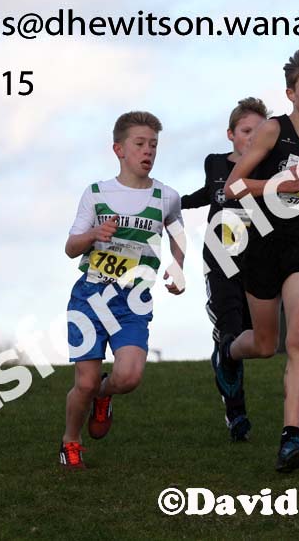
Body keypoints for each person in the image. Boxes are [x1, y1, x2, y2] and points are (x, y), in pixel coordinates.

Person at [219, 43, 299, 472]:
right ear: (291, 93)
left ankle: (290, 438)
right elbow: (233, 187)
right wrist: (278, 185)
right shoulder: (272, 131)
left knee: (298, 339)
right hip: (265, 241)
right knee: (264, 344)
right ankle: (229, 353)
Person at [60, 111, 185, 468]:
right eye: (140, 144)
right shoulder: (97, 193)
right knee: (83, 383)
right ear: (119, 149)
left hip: (133, 301)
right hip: (90, 298)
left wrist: (178, 266)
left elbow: (177, 232)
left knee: (129, 377)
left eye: (153, 145)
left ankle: (105, 395)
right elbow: (70, 248)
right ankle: (71, 441)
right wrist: (93, 235)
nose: (148, 151)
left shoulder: (166, 196)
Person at [181, 97, 269, 441]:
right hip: (219, 256)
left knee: (252, 337)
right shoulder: (215, 163)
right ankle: (236, 415)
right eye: (246, 131)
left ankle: (224, 355)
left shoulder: (270, 168)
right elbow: (209, 193)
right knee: (230, 329)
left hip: (258, 258)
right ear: (231, 134)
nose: (252, 138)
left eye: (259, 132)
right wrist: (175, 203)